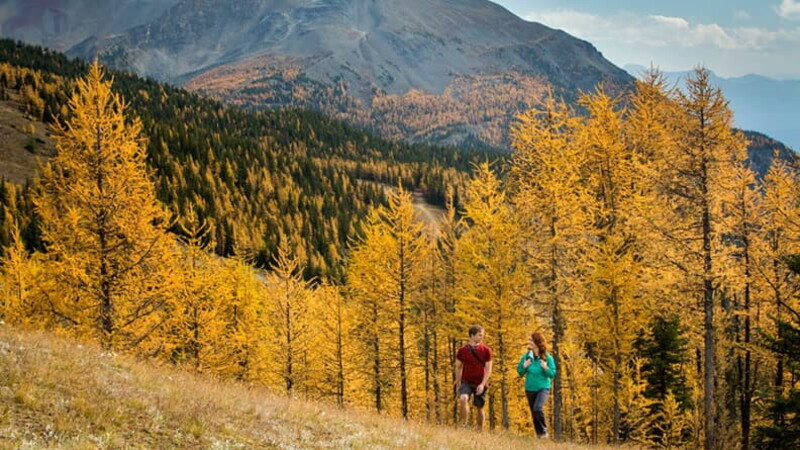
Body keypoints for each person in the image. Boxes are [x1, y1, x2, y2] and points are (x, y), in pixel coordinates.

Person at [517, 331, 556, 439]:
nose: (529, 342)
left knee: (538, 408)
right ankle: (539, 435)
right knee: (534, 412)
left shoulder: (548, 358)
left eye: (531, 340)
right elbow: (520, 372)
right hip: (530, 388)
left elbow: (552, 374)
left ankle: (544, 431)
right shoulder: (526, 357)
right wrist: (524, 366)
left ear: (537, 343)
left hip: (543, 387)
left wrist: (545, 367)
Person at [454, 324, 493, 431]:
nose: (482, 337)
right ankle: (464, 424)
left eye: (482, 335)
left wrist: (482, 384)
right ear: (472, 335)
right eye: (480, 335)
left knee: (479, 407)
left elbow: (488, 369)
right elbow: (458, 367)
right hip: (467, 381)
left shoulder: (486, 350)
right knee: (463, 398)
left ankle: (479, 429)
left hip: (480, 382)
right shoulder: (462, 351)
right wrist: (458, 383)